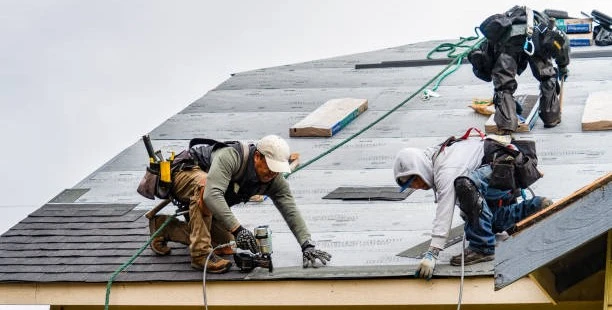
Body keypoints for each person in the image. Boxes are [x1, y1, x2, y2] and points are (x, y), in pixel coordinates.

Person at [148, 134, 331, 273]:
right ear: (258, 157)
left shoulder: (274, 179)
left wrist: (307, 244)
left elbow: (290, 209)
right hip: (184, 174)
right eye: (269, 167)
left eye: (276, 170)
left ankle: (164, 228)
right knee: (205, 186)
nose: (272, 174)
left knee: (226, 246)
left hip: (205, 205)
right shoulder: (232, 157)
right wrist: (238, 229)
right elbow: (212, 195)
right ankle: (200, 255)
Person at [393, 130, 552, 279]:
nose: (416, 186)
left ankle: (482, 248)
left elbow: (445, 209)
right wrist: (472, 216)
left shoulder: (445, 168)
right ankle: (535, 207)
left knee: (464, 185)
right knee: (490, 224)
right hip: (503, 172)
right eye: (410, 186)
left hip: (505, 168)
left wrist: (432, 252)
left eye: (414, 180)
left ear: (420, 168)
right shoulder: (436, 158)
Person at [468, 5, 570, 133]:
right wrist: (563, 67)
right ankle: (551, 117)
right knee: (547, 77)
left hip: (508, 47)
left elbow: (488, 62)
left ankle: (507, 124)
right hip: (535, 43)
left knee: (503, 87)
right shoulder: (542, 22)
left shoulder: (501, 27)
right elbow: (562, 44)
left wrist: (504, 97)